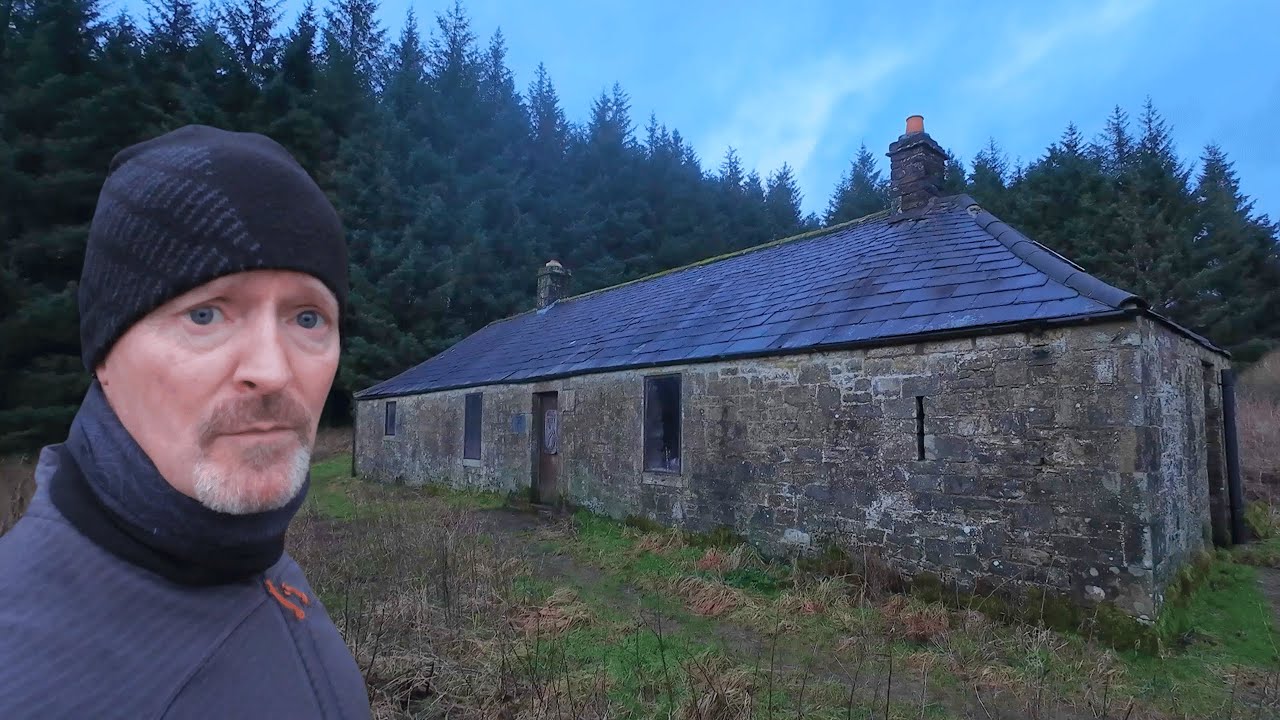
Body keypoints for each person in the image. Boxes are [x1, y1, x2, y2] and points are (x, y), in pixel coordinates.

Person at [0, 125, 371, 718]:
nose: (272, 372)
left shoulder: (252, 556)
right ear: (104, 353)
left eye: (307, 318)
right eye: (205, 313)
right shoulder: (22, 677)